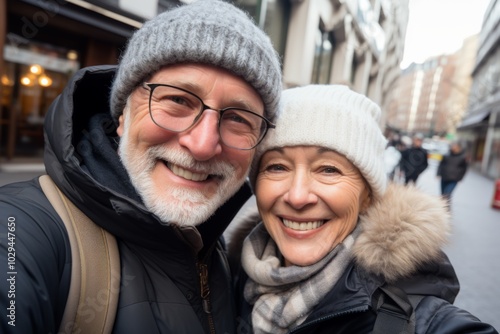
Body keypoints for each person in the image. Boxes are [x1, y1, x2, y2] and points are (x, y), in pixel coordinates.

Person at [0, 1, 282, 333]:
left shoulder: (213, 246)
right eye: (178, 100)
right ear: (122, 115)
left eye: (238, 118)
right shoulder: (20, 233)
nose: (203, 144)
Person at [226, 85, 497, 333]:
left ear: (367, 196)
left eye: (329, 169)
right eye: (277, 167)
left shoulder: (416, 319)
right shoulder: (227, 273)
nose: (297, 196)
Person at [437, 141, 468, 205]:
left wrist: (460, 178)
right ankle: (442, 208)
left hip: (453, 179)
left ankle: (447, 209)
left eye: (455, 146)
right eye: (452, 146)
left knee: (447, 194)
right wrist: (438, 173)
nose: (453, 148)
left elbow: (464, 169)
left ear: (459, 148)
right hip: (444, 177)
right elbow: (441, 165)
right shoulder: (446, 155)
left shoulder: (463, 157)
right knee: (442, 195)